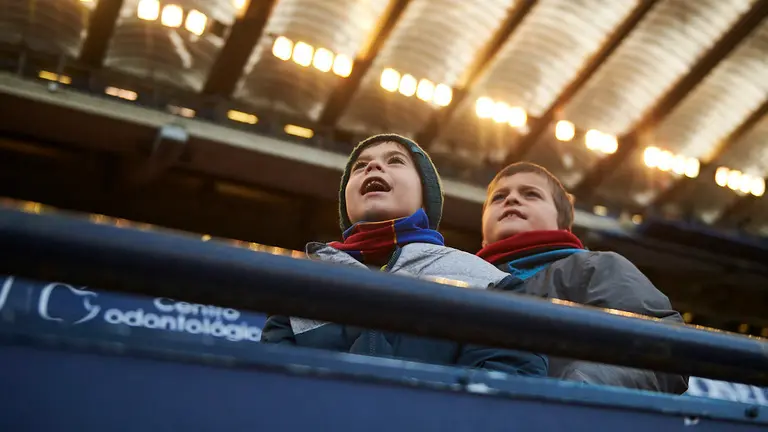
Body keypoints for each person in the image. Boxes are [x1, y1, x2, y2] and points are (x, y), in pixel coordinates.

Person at [262, 134, 547, 377]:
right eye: (359, 167)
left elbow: (504, 396)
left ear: (425, 195)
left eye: (395, 161)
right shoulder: (299, 283)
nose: (372, 166)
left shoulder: (491, 282)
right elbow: (272, 391)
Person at [477, 162, 688, 394]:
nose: (511, 199)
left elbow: (658, 347)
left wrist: (571, 394)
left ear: (563, 226)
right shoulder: (461, 277)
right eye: (498, 197)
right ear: (483, 236)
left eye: (531, 194)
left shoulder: (596, 267)